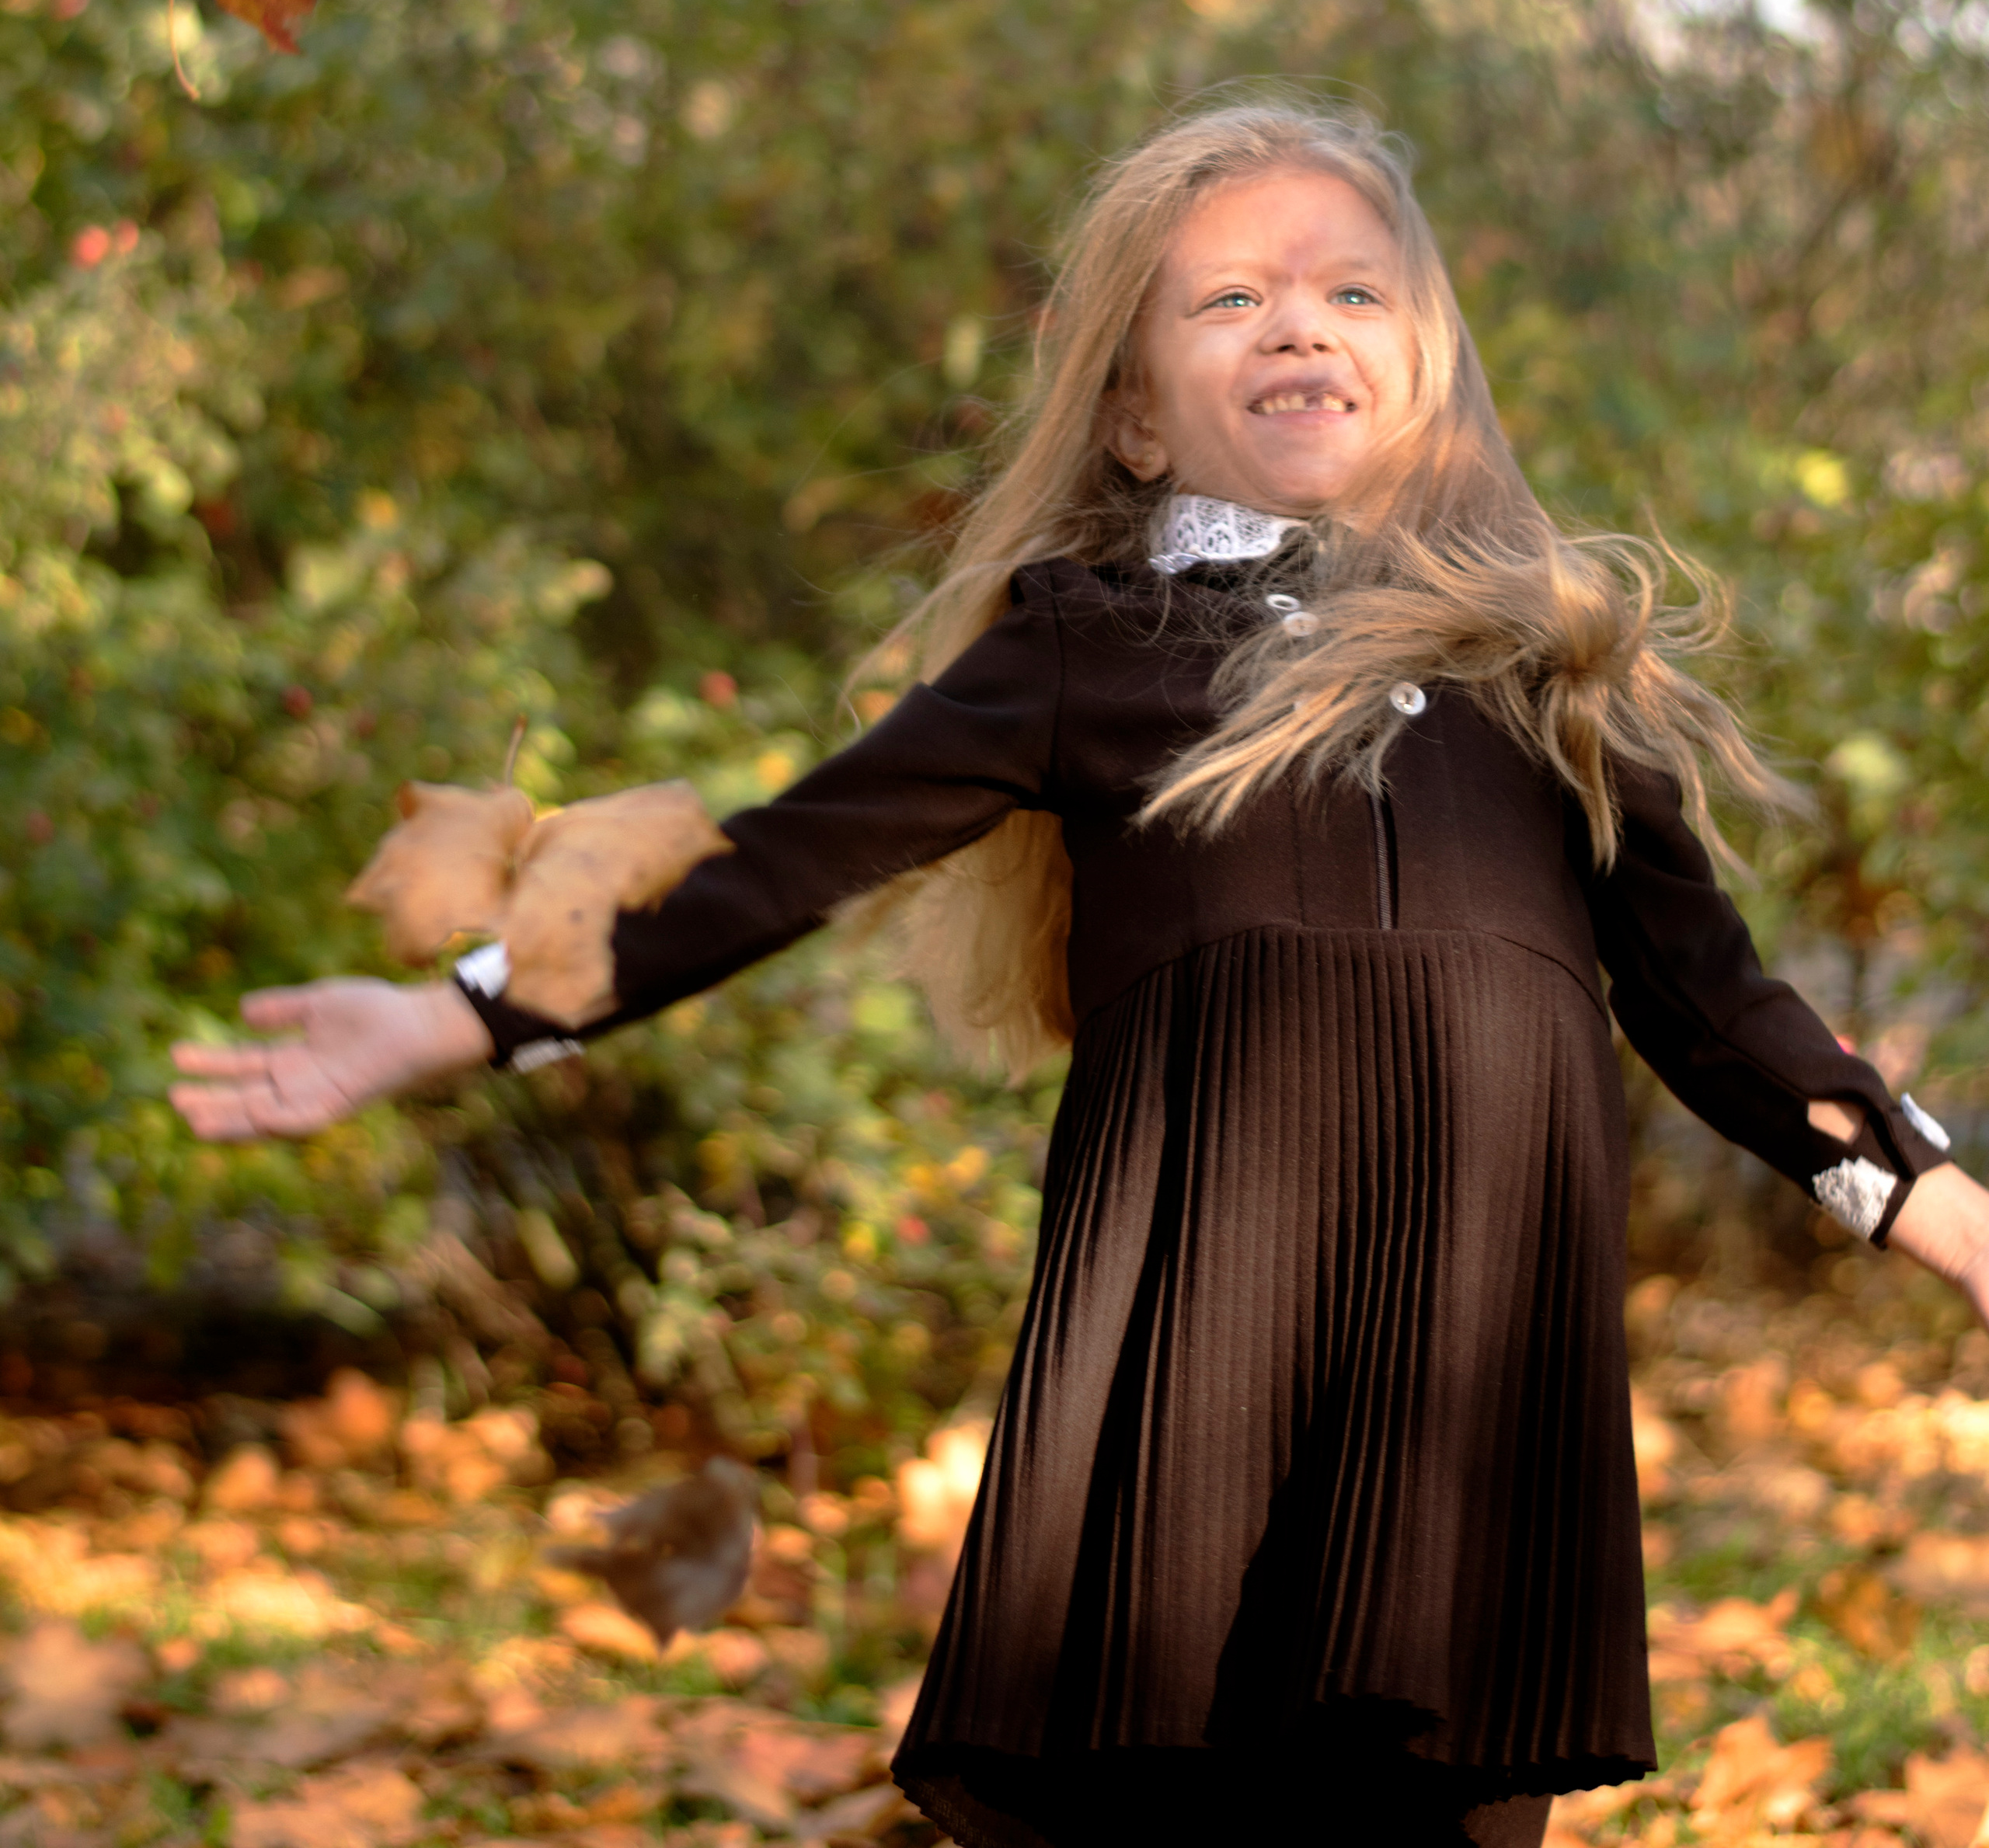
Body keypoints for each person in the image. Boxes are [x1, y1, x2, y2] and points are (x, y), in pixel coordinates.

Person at [173, 99, 1989, 1848]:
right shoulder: (1083, 644)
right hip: (1198, 1352)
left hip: (1469, 1372)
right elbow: (779, 859)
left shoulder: (1552, 681)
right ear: (1132, 413)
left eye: (1355, 290)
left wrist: (1953, 1224)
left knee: (1434, 1805)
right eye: (1230, 298)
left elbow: (1715, 1003)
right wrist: (460, 1010)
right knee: (1179, 1800)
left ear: (1427, 370)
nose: (1300, 323)